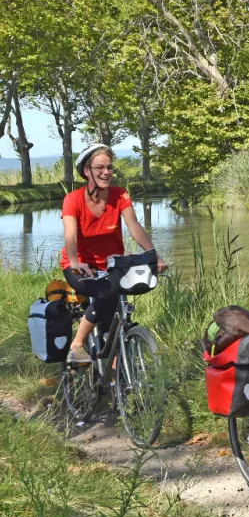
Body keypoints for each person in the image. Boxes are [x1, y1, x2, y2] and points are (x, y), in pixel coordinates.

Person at [61, 143, 168, 365]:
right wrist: (75, 261)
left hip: (111, 265)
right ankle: (77, 345)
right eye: (100, 167)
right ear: (87, 171)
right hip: (80, 266)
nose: (106, 172)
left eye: (110, 167)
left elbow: (134, 226)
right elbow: (70, 235)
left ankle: (116, 377)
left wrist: (153, 255)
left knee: (114, 319)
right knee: (105, 294)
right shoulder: (73, 199)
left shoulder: (119, 195)